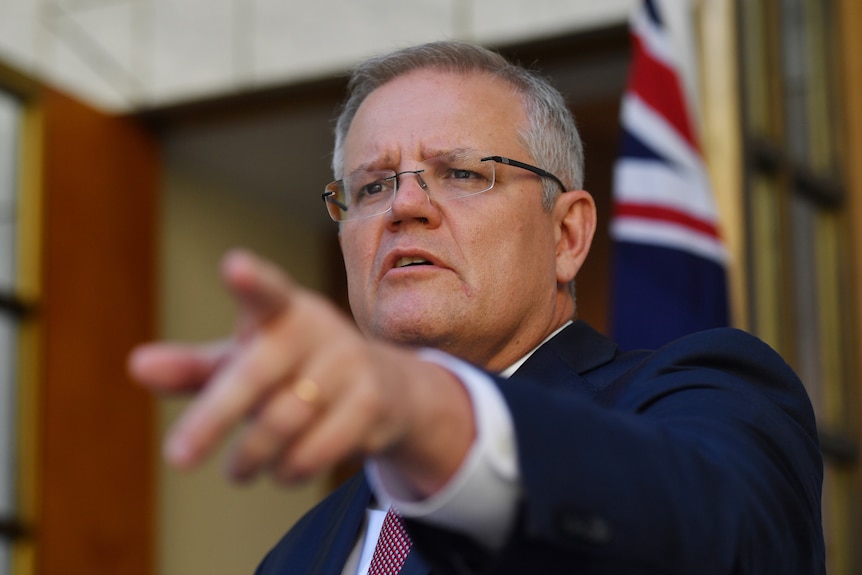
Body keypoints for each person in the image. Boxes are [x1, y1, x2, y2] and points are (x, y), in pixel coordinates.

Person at [129, 41, 825, 574]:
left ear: (567, 234)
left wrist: (430, 408)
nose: (404, 206)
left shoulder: (711, 394)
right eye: (371, 188)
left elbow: (725, 537)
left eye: (461, 173)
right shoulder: (299, 552)